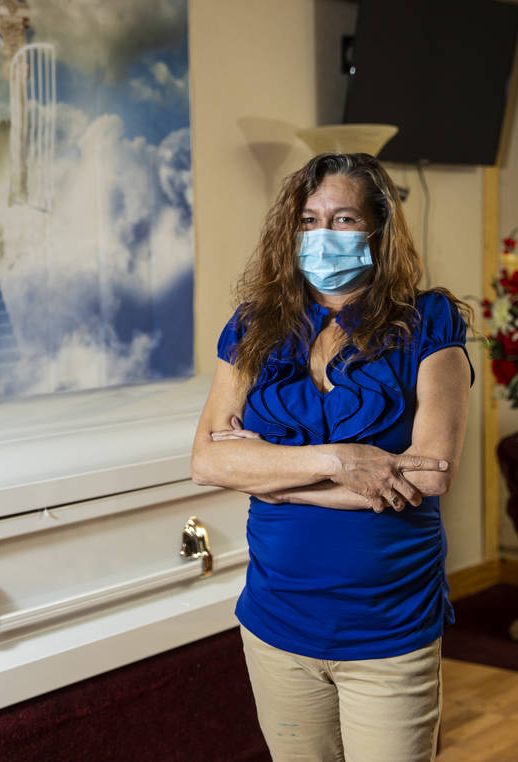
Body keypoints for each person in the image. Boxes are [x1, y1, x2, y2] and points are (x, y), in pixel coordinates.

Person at [191, 152, 473, 761]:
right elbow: (207, 461)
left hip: (389, 628)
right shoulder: (254, 326)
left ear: (378, 229)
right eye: (309, 220)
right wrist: (339, 461)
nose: (323, 234)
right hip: (276, 622)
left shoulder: (428, 321)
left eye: (344, 219)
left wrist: (271, 477)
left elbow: (430, 475)